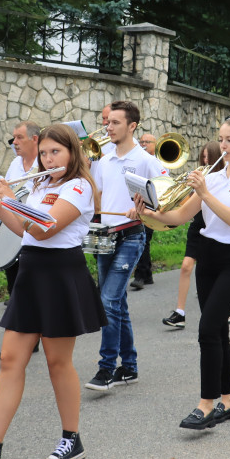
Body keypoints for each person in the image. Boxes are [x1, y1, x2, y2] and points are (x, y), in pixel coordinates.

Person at [0, 124, 105, 459]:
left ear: (72, 153)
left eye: (56, 152)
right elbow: (22, 229)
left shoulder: (79, 186)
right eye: (45, 152)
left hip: (61, 273)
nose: (49, 159)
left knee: (57, 362)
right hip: (31, 272)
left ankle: (71, 439)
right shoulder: (40, 183)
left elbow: (46, 226)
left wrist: (8, 199)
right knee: (10, 360)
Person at [138, 116, 230, 429]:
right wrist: (148, 212)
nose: (223, 145)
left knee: (208, 329)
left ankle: (206, 404)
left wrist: (205, 192)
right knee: (218, 330)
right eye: (221, 139)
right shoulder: (215, 176)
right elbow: (181, 215)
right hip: (208, 258)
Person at [85, 101, 166, 391]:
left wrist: (143, 208)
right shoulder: (104, 160)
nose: (108, 127)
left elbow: (165, 196)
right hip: (106, 235)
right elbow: (98, 195)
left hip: (132, 235)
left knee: (106, 301)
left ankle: (106, 368)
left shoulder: (145, 160)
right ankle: (129, 367)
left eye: (115, 123)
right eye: (108, 123)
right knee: (116, 302)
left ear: (132, 126)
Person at [162, 141, 223, 329]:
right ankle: (180, 312)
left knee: (215, 271)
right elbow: (187, 204)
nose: (205, 161)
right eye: (203, 157)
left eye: (208, 157)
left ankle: (221, 311)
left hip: (215, 224)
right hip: (197, 225)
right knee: (186, 266)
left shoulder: (222, 179)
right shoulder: (199, 175)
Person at [1, 121, 41, 296]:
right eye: (13, 137)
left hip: (33, 228)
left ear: (34, 139)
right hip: (14, 225)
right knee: (13, 279)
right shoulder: (15, 164)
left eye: (19, 137)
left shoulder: (45, 164)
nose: (14, 142)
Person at [131, 132, 159, 290]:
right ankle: (146, 274)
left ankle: (141, 276)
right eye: (141, 141)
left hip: (150, 206)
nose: (143, 144)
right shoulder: (138, 161)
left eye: (147, 141)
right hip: (138, 203)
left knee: (143, 240)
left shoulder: (155, 161)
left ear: (155, 145)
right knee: (144, 240)